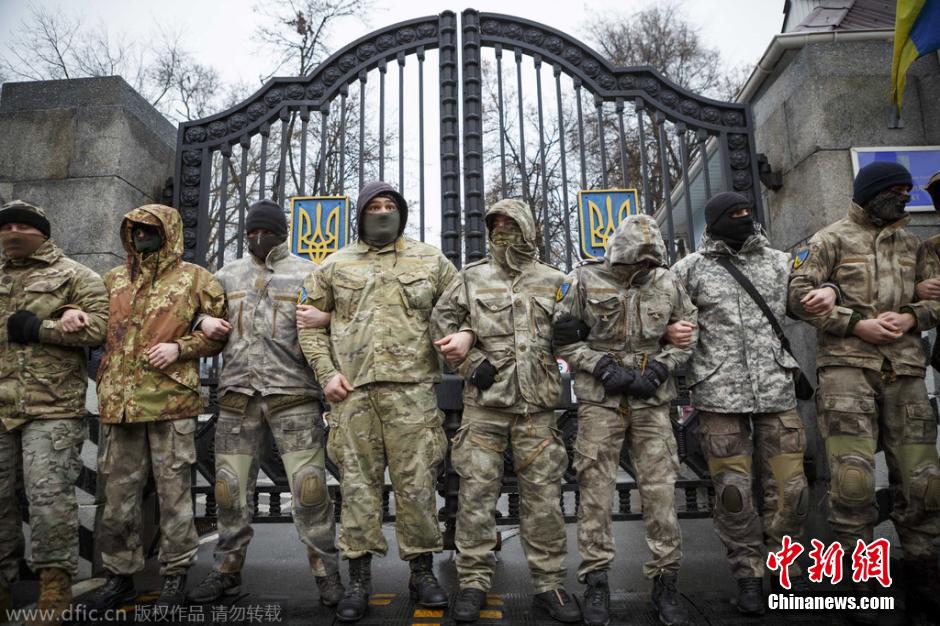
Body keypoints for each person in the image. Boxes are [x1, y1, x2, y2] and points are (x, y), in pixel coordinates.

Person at [298, 181, 457, 622]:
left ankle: (422, 573)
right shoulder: (335, 264)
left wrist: (462, 336)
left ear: (401, 213)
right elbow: (308, 325)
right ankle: (359, 579)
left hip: (413, 394)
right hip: (353, 395)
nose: (383, 212)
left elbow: (459, 309)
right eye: (374, 206)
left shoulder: (431, 261)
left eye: (390, 205)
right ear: (361, 215)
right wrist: (326, 374)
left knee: (417, 485)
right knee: (357, 488)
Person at [788, 161, 940, 620]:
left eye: (907, 190)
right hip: (847, 373)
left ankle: (924, 581)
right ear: (871, 192)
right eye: (896, 190)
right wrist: (856, 323)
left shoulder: (915, 245)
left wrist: (912, 316)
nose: (905, 197)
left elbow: (936, 298)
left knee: (923, 482)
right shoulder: (827, 240)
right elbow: (796, 297)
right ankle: (859, 586)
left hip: (906, 372)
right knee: (851, 483)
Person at [670, 192, 831, 614]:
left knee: (791, 489)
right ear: (714, 222)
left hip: (776, 394)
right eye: (733, 214)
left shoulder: (779, 262)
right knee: (733, 493)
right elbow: (668, 318)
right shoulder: (689, 270)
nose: (743, 218)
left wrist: (829, 291)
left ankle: (784, 568)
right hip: (719, 399)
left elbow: (806, 299)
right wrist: (673, 333)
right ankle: (747, 575)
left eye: (747, 212)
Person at [430, 199, 580, 624]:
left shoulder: (556, 280)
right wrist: (470, 363)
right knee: (476, 498)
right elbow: (440, 324)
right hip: (485, 409)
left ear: (527, 227)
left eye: (510, 223)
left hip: (538, 411)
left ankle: (550, 584)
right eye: (495, 223)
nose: (502, 230)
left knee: (544, 500)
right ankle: (473, 582)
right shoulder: (471, 278)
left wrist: (573, 335)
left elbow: (574, 336)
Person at [187, 199, 343, 606]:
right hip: (237, 398)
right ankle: (226, 570)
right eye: (252, 232)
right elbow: (193, 312)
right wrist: (202, 321)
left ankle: (326, 574)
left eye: (266, 232)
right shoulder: (226, 275)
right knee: (229, 490)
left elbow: (334, 325)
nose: (258, 239)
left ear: (282, 233)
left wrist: (328, 326)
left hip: (294, 397)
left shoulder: (309, 273)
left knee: (310, 490)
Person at [552, 214, 697, 626]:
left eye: (651, 261)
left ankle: (666, 582)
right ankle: (596, 581)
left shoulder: (668, 282)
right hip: (601, 401)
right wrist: (599, 366)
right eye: (638, 261)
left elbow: (689, 331)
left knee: (661, 490)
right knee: (595, 491)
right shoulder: (583, 280)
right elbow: (561, 336)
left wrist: (663, 367)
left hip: (652, 401)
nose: (645, 268)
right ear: (620, 255)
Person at [81, 204, 227, 611]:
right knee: (118, 498)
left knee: (174, 497)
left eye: (150, 228)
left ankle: (175, 578)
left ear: (169, 232)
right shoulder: (112, 279)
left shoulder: (195, 278)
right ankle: (119, 578)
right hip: (121, 406)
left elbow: (220, 332)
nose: (141, 235)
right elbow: (94, 324)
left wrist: (181, 347)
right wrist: (70, 314)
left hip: (170, 404)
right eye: (135, 229)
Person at [0, 201, 108, 625]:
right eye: (5, 226)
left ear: (42, 232)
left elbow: (100, 328)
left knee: (49, 503)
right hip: (1, 407)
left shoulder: (76, 275)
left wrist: (40, 328)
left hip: (51, 409)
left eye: (22, 226)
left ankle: (53, 591)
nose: (12, 232)